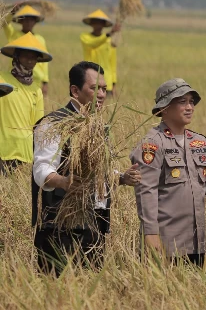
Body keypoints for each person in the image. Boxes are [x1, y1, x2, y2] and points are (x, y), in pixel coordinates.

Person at [32, 61, 140, 276]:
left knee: (91, 286)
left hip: (95, 223)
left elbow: (97, 172)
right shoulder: (54, 124)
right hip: (60, 224)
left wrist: (121, 178)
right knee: (56, 291)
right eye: (94, 88)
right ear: (75, 90)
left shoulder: (98, 127)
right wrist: (63, 182)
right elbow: (41, 169)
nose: (101, 95)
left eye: (104, 89)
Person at [131, 78, 206, 267]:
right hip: (165, 244)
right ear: (164, 108)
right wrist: (150, 235)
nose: (189, 107)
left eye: (192, 102)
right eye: (182, 101)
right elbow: (146, 192)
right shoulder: (152, 144)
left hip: (197, 244)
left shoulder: (202, 144)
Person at [0, 33, 50, 174]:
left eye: (34, 56)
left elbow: (38, 126)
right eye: (26, 55)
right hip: (3, 148)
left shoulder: (36, 91)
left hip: (24, 153)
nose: (30, 59)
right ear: (16, 56)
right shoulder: (2, 79)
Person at [3, 4, 50, 95]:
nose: (28, 22)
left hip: (36, 79)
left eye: (31, 19)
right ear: (21, 21)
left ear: (35, 22)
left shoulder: (40, 39)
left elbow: (45, 64)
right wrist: (12, 13)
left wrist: (45, 82)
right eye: (26, 19)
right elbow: (4, 24)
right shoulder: (14, 35)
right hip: (16, 77)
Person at [80, 9, 120, 96]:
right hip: (91, 80)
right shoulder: (85, 37)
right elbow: (94, 43)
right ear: (91, 23)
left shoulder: (109, 41)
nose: (98, 25)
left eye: (100, 22)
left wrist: (114, 84)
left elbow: (112, 64)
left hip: (106, 82)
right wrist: (110, 33)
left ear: (104, 24)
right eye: (95, 22)